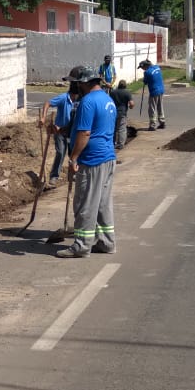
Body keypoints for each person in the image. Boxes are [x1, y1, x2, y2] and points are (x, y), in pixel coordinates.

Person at [56, 65, 117, 259]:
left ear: (83, 83)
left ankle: (82, 245)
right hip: (107, 158)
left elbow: (85, 133)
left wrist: (73, 157)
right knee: (102, 204)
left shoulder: (88, 102)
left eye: (75, 83)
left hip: (92, 160)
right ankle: (107, 242)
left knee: (85, 203)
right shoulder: (107, 100)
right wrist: (62, 130)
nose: (74, 87)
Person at [38, 80, 78, 188]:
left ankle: (73, 174)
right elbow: (47, 103)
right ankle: (54, 177)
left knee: (73, 154)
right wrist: (43, 117)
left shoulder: (79, 101)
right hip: (60, 131)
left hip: (72, 132)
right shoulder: (63, 98)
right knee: (60, 153)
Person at [139, 59, 165, 130]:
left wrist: (144, 79)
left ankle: (152, 125)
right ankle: (162, 122)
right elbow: (152, 65)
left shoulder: (147, 72)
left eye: (142, 68)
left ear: (145, 66)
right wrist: (150, 62)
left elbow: (145, 82)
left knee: (152, 108)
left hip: (154, 91)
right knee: (160, 106)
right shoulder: (157, 67)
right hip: (161, 90)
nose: (142, 69)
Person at [111, 79, 134, 150]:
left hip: (113, 112)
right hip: (122, 113)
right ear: (125, 85)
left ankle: (112, 143)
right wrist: (131, 107)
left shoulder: (113, 92)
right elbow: (132, 104)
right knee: (122, 129)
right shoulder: (127, 93)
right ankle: (120, 144)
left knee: (113, 129)